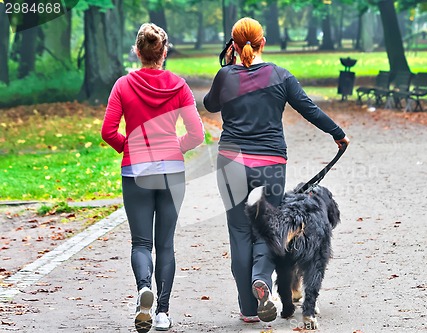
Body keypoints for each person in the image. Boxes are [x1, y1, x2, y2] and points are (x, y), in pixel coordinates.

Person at [203, 17, 350, 324]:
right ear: (263, 43)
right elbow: (308, 108)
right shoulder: (280, 76)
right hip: (270, 164)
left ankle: (247, 307)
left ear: (233, 44)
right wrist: (338, 134)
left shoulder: (225, 75)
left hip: (231, 163)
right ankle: (262, 281)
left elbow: (210, 104)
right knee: (268, 232)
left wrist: (229, 66)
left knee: (239, 232)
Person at [101, 23, 204, 332]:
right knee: (166, 245)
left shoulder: (122, 85)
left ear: (138, 51)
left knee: (141, 244)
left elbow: (108, 131)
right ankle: (161, 312)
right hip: (171, 172)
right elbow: (197, 134)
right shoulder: (179, 85)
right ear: (164, 52)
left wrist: (129, 150)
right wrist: (176, 148)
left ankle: (144, 289)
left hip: (136, 172)